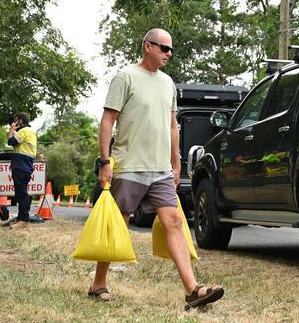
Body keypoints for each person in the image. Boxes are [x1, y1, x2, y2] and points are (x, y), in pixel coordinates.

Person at [90, 28, 224, 309]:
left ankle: (192, 290)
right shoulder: (125, 77)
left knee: (174, 221)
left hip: (161, 168)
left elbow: (173, 126)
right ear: (147, 47)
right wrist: (104, 161)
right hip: (129, 165)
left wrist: (176, 164)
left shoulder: (168, 84)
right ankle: (99, 283)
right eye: (164, 48)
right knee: (120, 223)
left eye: (171, 49)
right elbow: (107, 121)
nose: (169, 54)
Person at [4, 112, 37, 229]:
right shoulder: (29, 131)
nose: (14, 122)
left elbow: (10, 141)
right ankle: (21, 218)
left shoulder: (24, 131)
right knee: (20, 193)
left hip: (21, 165)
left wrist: (11, 129)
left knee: (21, 193)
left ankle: (24, 220)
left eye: (16, 120)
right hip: (24, 165)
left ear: (20, 121)